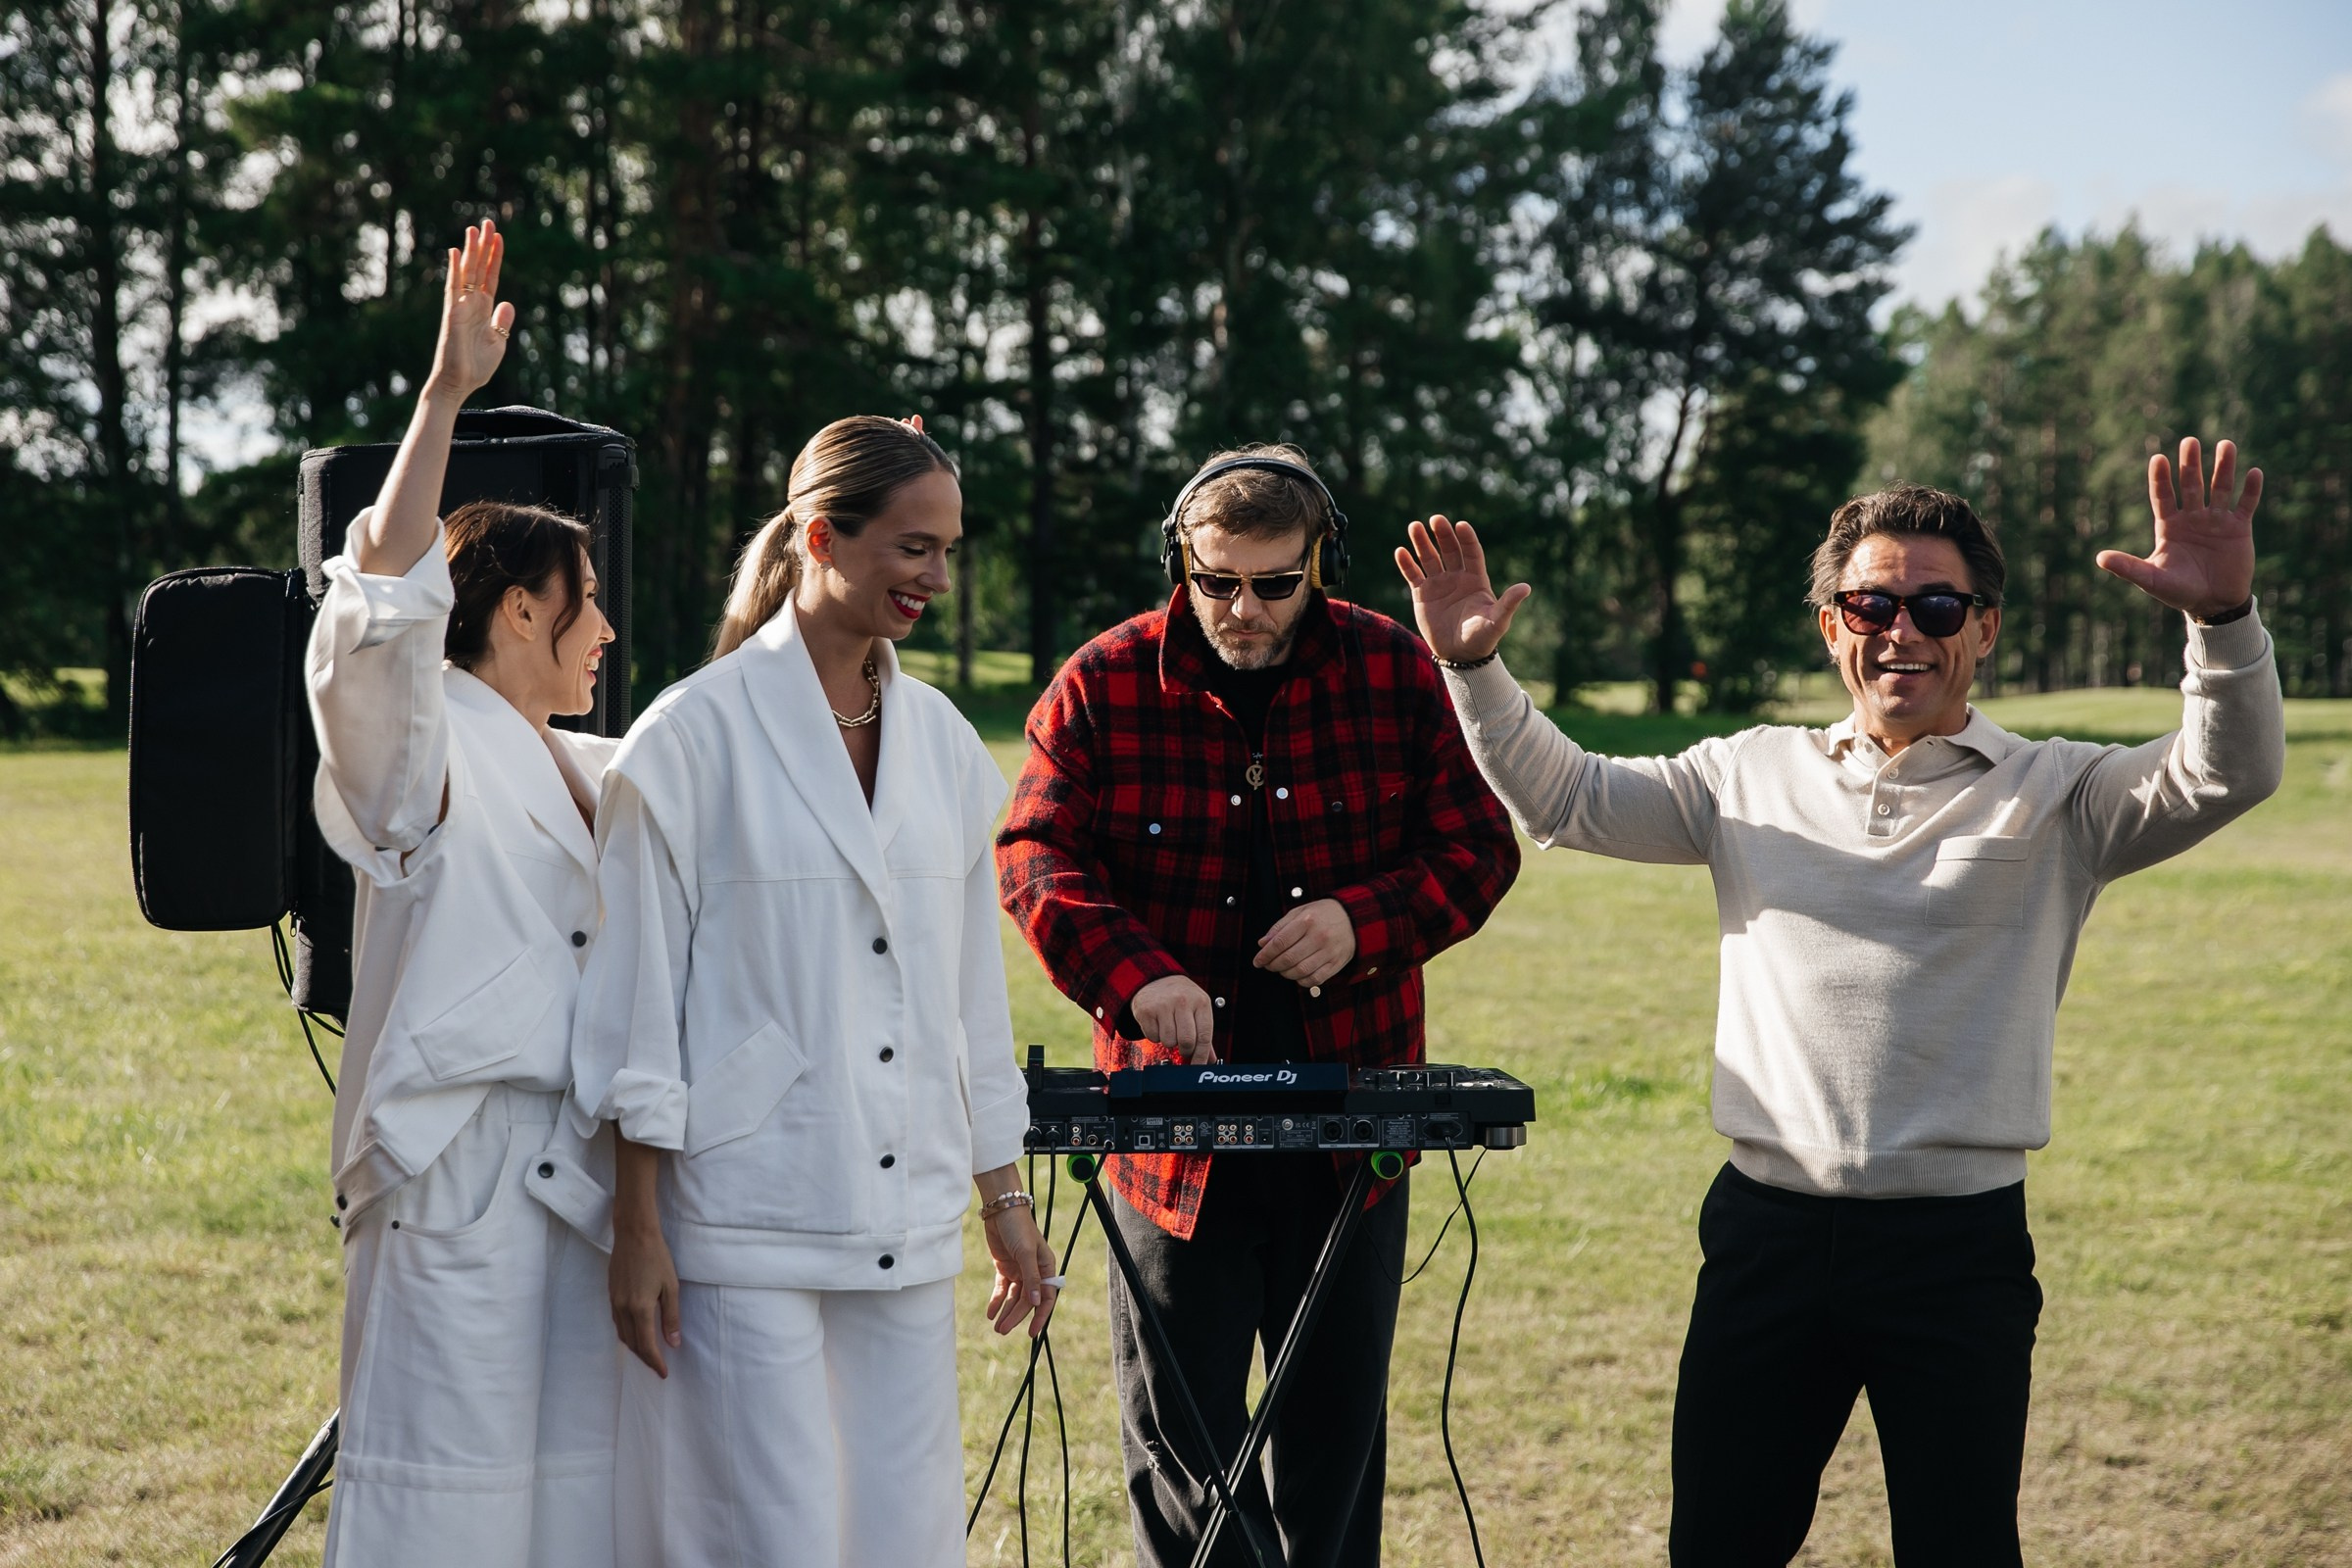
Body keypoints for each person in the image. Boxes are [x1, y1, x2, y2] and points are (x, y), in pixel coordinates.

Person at [1396, 440, 2286, 1566]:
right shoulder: (1744, 772)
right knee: (1721, 1542)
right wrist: (1474, 670)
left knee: (1960, 1547)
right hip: (1768, 1232)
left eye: (1935, 603)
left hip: (1957, 1248)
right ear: (1832, 626)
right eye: (1869, 602)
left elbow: (2230, 771)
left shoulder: (2062, 792)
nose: (1899, 627)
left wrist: (2225, 624)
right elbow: (1569, 797)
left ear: (1984, 628)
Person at [996, 446, 1521, 1567]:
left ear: (1315, 561)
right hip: (1167, 1135)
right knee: (1180, 1440)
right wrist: (1136, 974)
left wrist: (1364, 920)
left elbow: (1479, 846)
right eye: (1216, 580)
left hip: (1349, 1134)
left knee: (1335, 1436)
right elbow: (1034, 853)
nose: (1243, 608)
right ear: (1179, 559)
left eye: (1275, 583)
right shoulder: (1102, 679)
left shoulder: (1393, 666)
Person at [570, 414, 1056, 1568]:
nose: (936, 576)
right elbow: (634, 1002)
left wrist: (1005, 1198)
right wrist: (636, 1227)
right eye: (911, 548)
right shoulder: (689, 736)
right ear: (822, 537)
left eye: (947, 550)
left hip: (907, 1212)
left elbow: (967, 1000)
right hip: (743, 1215)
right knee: (764, 1543)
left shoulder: (941, 741)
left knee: (908, 1540)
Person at [306, 219, 619, 1568]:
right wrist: (444, 397)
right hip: (458, 1180)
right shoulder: (418, 755)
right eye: (586, 598)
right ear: (516, 612)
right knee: (450, 1500)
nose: (607, 630)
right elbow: (375, 603)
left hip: (588, 1180)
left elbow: (752, 729)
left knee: (577, 1505)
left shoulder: (604, 766)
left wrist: (829, 560)